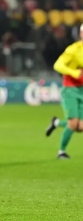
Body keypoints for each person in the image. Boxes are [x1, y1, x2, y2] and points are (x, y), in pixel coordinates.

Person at [45, 24, 83, 159]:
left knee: (80, 126)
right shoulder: (73, 50)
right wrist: (74, 72)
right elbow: (58, 65)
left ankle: (56, 123)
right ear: (81, 34)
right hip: (71, 89)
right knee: (73, 123)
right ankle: (61, 152)